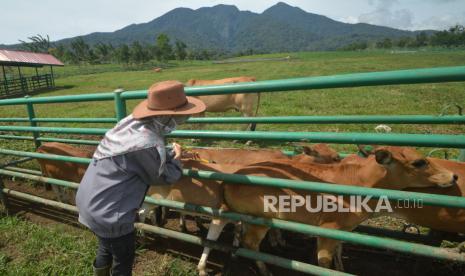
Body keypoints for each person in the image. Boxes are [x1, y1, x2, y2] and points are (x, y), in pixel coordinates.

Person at [76, 80, 206, 276]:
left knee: (105, 246)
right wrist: (177, 159)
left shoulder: (129, 125)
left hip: (90, 202)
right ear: (167, 116)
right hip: (110, 214)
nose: (180, 121)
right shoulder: (147, 143)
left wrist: (168, 154)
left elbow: (139, 158)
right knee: (124, 258)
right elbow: (162, 177)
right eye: (179, 117)